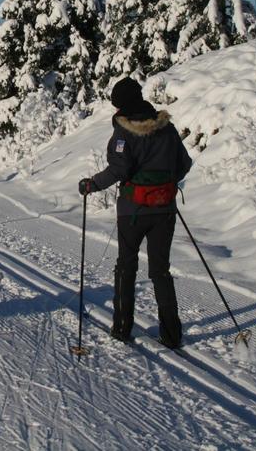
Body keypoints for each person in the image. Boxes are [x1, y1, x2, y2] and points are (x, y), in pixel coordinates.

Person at [78, 77, 193, 348]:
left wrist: (91, 184)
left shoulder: (123, 132)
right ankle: (172, 334)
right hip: (164, 209)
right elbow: (184, 164)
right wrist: (164, 184)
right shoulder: (167, 128)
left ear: (121, 105)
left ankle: (122, 328)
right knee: (160, 271)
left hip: (133, 211)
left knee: (126, 267)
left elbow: (118, 170)